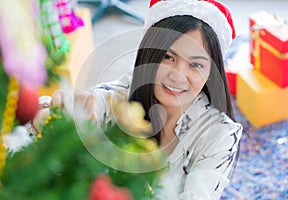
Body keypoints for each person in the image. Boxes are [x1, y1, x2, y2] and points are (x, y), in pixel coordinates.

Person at [30, 0, 243, 199]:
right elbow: (99, 100)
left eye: (195, 65)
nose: (177, 75)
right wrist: (61, 110)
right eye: (168, 57)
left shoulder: (220, 135)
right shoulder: (129, 91)